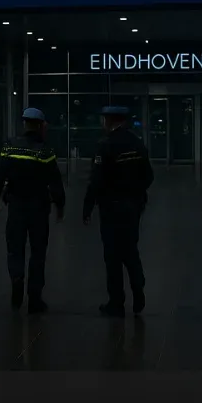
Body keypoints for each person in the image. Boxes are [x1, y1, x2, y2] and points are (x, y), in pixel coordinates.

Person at [0, 108, 64, 312]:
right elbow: (55, 181)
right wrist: (60, 205)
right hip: (39, 207)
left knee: (15, 248)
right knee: (38, 252)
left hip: (16, 205)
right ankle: (34, 297)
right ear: (40, 126)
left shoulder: (11, 147)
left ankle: (16, 278)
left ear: (24, 124)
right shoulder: (45, 151)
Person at [82, 106, 153, 317]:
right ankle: (138, 289)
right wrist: (137, 195)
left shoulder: (105, 145)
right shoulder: (137, 143)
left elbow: (96, 180)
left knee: (112, 255)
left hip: (111, 207)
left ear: (109, 121)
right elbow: (148, 175)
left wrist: (88, 206)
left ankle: (116, 301)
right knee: (130, 249)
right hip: (133, 206)